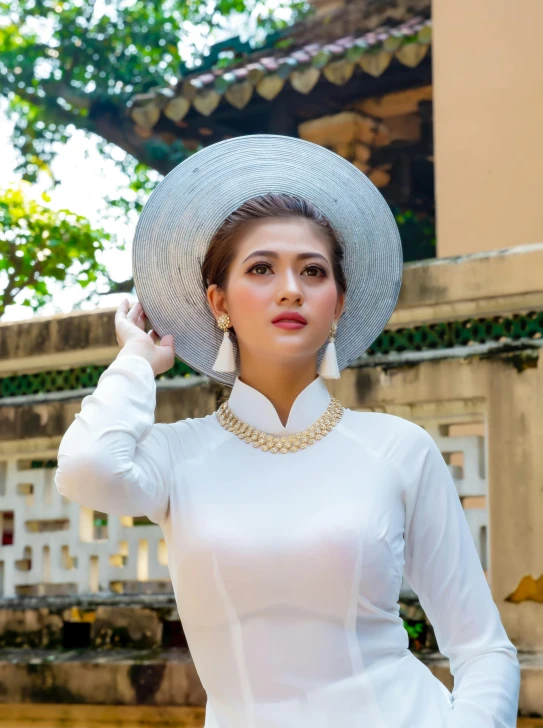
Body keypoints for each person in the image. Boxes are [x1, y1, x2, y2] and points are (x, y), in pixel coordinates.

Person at [55, 135, 520, 728]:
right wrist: (136, 364)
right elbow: (86, 470)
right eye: (261, 268)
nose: (290, 287)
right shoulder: (177, 456)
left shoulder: (397, 450)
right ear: (218, 301)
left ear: (338, 302)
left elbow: (484, 649)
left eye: (313, 271)